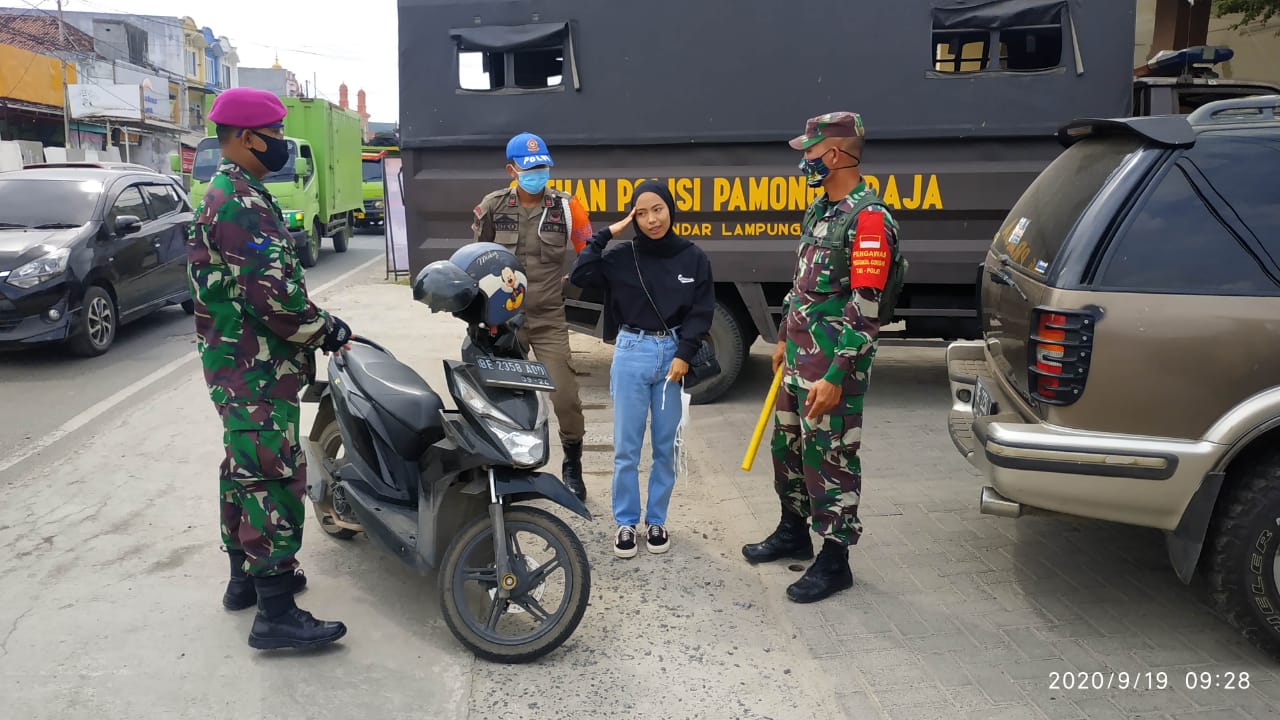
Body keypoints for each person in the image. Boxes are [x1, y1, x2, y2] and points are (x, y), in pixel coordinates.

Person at [188, 86, 352, 649]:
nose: (280, 145)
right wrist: (328, 330)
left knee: (243, 469)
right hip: (253, 368)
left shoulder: (232, 190)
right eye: (275, 136)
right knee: (272, 474)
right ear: (245, 137)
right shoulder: (238, 201)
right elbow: (275, 299)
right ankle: (276, 613)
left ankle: (244, 581)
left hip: (236, 363)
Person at [741, 111, 900, 603]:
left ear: (834, 154)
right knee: (787, 450)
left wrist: (836, 374)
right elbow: (804, 284)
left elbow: (865, 311)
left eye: (809, 152)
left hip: (833, 367)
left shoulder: (868, 220)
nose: (804, 161)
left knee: (829, 459)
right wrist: (787, 337)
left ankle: (835, 560)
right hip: (800, 360)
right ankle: (793, 530)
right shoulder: (820, 211)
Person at [570, 181, 714, 557]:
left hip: (673, 357)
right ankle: (625, 523)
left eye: (658, 209)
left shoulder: (693, 257)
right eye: (642, 212)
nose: (652, 219)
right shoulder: (621, 257)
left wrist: (684, 353)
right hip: (631, 352)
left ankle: (656, 520)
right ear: (633, 216)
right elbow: (581, 275)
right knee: (627, 448)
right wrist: (606, 234)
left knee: (666, 447)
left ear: (670, 209)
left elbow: (702, 311)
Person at [471, 132, 594, 501]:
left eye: (542, 166)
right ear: (512, 169)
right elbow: (478, 258)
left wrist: (573, 284)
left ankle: (572, 463)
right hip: (504, 320)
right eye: (529, 168)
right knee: (500, 397)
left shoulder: (568, 207)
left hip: (549, 319)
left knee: (566, 397)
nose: (537, 173)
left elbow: (588, 254)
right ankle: (507, 469)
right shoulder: (492, 206)